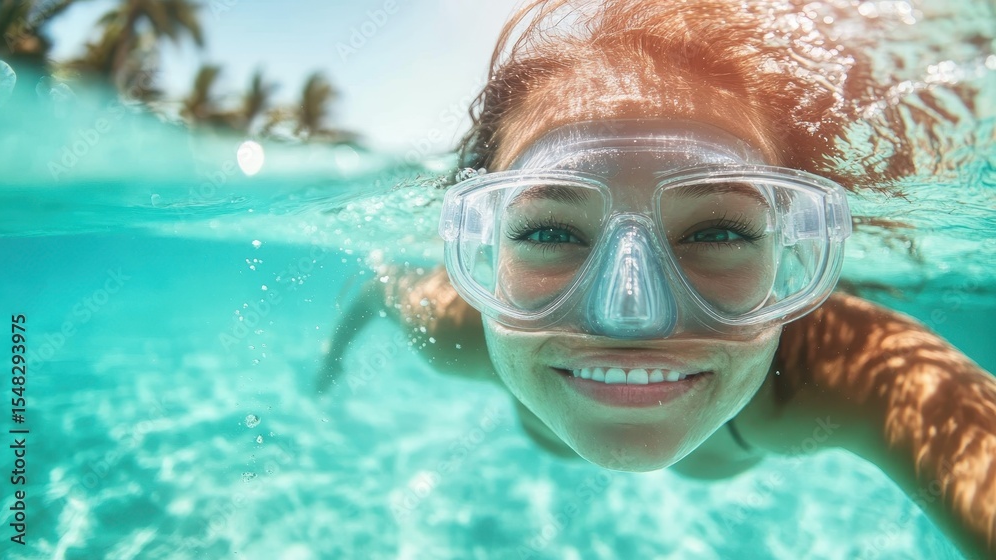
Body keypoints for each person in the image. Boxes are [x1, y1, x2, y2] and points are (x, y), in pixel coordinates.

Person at [321, 0, 996, 557]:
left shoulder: (842, 368)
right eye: (551, 232)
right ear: (483, 251)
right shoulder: (456, 326)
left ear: (792, 252)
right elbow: (381, 286)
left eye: (719, 232)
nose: (630, 317)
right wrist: (332, 363)